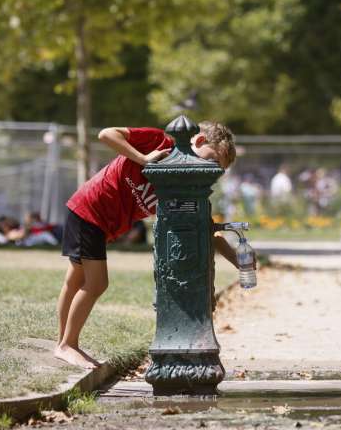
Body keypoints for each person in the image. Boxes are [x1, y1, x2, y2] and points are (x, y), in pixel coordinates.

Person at [55, 121, 243, 369]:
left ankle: (63, 344)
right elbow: (106, 134)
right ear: (198, 141)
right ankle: (68, 345)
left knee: (76, 280)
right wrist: (144, 159)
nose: (210, 170)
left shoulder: (182, 182)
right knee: (96, 283)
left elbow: (204, 226)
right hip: (91, 210)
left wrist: (240, 261)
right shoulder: (159, 142)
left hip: (101, 223)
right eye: (212, 160)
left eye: (215, 169)